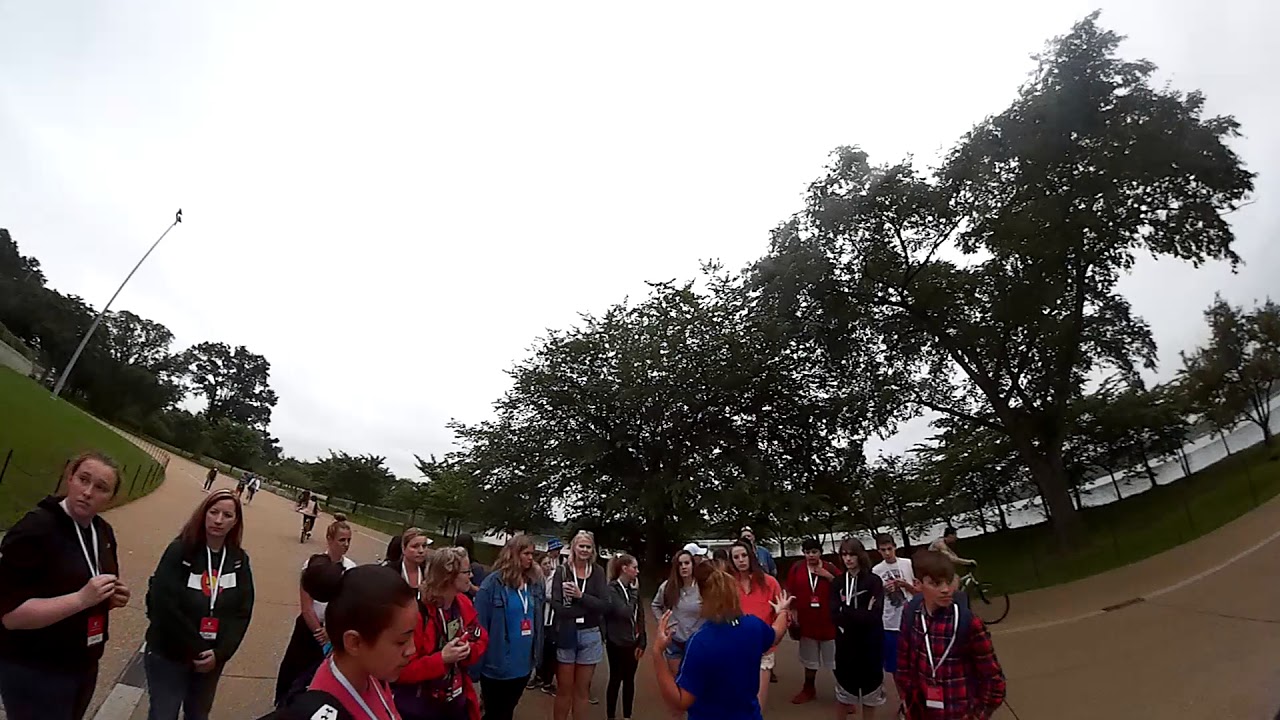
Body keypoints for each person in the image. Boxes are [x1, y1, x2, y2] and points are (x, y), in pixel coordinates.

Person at [0, 452, 131, 720]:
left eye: (101, 488)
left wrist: (109, 598)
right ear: (69, 477)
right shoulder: (36, 529)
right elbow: (10, 616)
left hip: (83, 664)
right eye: (83, 480)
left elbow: (91, 582)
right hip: (35, 669)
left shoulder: (103, 532)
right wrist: (81, 599)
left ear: (111, 498)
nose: (88, 492)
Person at [144, 489, 255, 720]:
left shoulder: (238, 560)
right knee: (164, 713)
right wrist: (196, 647)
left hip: (211, 659)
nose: (218, 520)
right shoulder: (180, 550)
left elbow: (243, 611)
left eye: (227, 515)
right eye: (213, 512)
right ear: (203, 514)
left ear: (235, 522)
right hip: (170, 654)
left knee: (198, 714)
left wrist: (220, 653)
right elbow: (164, 605)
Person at [266, 564, 417, 720]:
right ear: (354, 643)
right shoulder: (324, 708)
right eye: (401, 641)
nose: (412, 649)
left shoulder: (373, 673)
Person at [651, 561, 792, 720]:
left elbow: (681, 701)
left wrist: (657, 653)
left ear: (702, 596)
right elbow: (776, 634)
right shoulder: (753, 626)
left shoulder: (700, 642)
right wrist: (782, 611)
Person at [895, 551, 1005, 720]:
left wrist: (978, 715)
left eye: (949, 582)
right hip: (924, 712)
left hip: (959, 711)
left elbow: (993, 679)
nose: (945, 590)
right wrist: (909, 700)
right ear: (917, 584)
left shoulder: (968, 623)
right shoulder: (911, 613)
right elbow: (903, 664)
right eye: (936, 584)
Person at [394, 548, 488, 720]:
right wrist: (442, 659)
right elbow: (400, 672)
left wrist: (467, 650)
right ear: (449, 575)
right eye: (466, 572)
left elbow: (480, 636)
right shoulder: (418, 613)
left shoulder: (463, 603)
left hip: (457, 701)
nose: (472, 576)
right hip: (423, 707)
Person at [275, 515, 358, 706]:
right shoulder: (313, 565)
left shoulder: (350, 568)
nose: (345, 545)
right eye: (341, 540)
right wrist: (319, 633)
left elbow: (347, 604)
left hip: (333, 630)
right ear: (330, 540)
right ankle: (284, 702)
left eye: (348, 541)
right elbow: (307, 606)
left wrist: (331, 632)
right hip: (310, 627)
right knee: (294, 669)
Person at [474, 535, 544, 720]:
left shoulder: (533, 584)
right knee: (496, 713)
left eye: (532, 554)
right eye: (526, 553)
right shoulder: (492, 585)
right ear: (513, 554)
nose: (531, 558)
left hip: (523, 664)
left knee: (507, 712)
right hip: (496, 666)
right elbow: (479, 626)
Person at [550, 530, 608, 720]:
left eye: (588, 547)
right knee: (564, 689)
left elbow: (605, 605)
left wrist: (580, 596)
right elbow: (558, 607)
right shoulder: (562, 571)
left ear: (593, 550)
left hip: (590, 634)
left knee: (582, 691)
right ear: (573, 547)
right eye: (581, 546)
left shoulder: (598, 572)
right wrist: (588, 607)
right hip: (567, 632)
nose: (584, 550)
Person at [831, 538, 885, 719]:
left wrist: (846, 611)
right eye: (844, 554)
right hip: (846, 648)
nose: (848, 559)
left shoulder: (874, 581)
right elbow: (833, 614)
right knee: (844, 696)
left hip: (870, 646)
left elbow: (874, 616)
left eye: (852, 554)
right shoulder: (838, 583)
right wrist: (858, 612)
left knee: (870, 697)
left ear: (860, 555)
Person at [784, 537, 840, 704]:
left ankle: (845, 695)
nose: (811, 556)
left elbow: (844, 587)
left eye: (814, 552)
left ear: (820, 552)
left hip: (829, 622)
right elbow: (791, 591)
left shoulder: (830, 568)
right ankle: (809, 689)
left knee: (836, 661)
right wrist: (791, 610)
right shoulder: (797, 568)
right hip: (807, 622)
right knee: (809, 660)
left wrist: (828, 576)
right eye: (807, 552)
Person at [729, 540, 782, 710]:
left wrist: (774, 637)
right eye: (736, 557)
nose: (741, 560)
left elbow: (781, 614)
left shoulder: (770, 583)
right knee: (737, 701)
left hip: (762, 649)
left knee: (758, 704)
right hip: (735, 649)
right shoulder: (728, 584)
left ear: (751, 556)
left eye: (744, 555)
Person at [603, 554, 645, 720]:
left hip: (633, 641)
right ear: (624, 569)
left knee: (630, 680)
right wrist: (634, 594)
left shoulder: (633, 589)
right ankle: (611, 716)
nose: (637, 571)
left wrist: (642, 640)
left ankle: (627, 715)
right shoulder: (612, 589)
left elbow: (639, 615)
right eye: (634, 567)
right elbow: (624, 612)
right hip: (617, 642)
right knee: (615, 679)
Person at [650, 549, 702, 678]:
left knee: (696, 680)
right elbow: (655, 605)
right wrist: (664, 625)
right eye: (680, 564)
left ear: (692, 565)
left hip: (698, 642)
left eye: (686, 563)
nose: (683, 567)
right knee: (678, 679)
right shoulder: (668, 587)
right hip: (675, 641)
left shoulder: (703, 587)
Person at [871, 534, 915, 679]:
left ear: (895, 547)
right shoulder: (876, 571)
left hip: (911, 619)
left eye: (890, 549)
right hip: (890, 622)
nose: (887, 553)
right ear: (879, 551)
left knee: (915, 660)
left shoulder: (907, 564)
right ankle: (902, 697)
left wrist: (904, 585)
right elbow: (875, 598)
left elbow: (918, 590)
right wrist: (884, 590)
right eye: (883, 550)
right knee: (894, 665)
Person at [532, 550, 560, 694]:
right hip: (538, 619)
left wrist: (548, 598)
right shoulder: (535, 579)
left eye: (549, 563)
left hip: (552, 620)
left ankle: (548, 681)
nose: (548, 566)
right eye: (545, 564)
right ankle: (538, 676)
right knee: (538, 647)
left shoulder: (555, 577)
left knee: (551, 650)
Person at [455, 533, 489, 599]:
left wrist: (469, 585)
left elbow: (480, 592)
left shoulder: (476, 568)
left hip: (466, 602)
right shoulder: (452, 564)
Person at [400, 528, 433, 595]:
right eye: (415, 546)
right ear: (403, 548)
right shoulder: (391, 571)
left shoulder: (430, 574)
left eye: (424, 546)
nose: (421, 551)